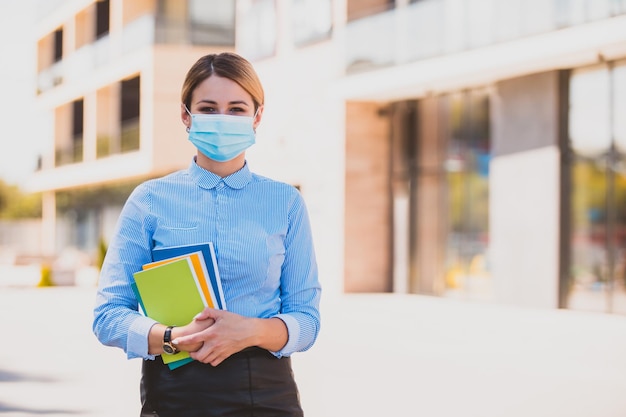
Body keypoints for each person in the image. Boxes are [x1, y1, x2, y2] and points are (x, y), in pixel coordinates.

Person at [93, 52, 321, 417]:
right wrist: (173, 337)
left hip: (263, 392)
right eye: (209, 108)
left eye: (236, 109)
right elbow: (108, 315)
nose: (222, 119)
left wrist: (250, 331)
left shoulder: (286, 202)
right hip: (174, 389)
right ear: (186, 115)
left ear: (257, 116)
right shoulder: (149, 201)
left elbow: (307, 319)